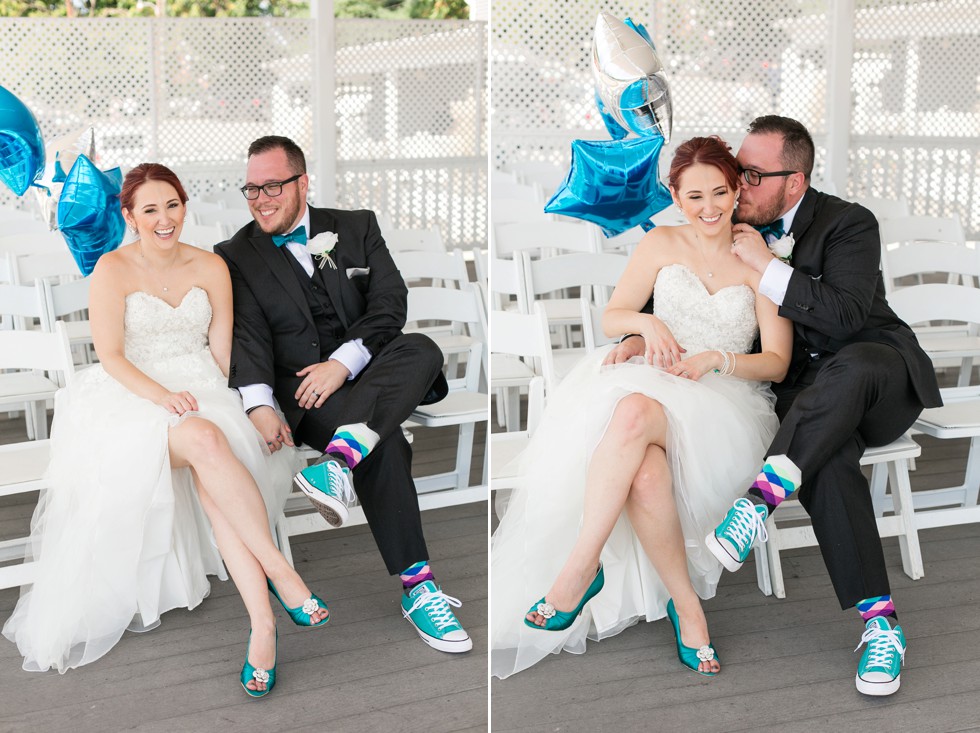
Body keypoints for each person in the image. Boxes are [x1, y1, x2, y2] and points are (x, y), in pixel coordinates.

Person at [617, 116, 942, 696]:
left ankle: (761, 497)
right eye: (738, 170)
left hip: (878, 379)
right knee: (827, 456)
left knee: (856, 362)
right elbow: (663, 289)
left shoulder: (848, 223)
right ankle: (881, 624)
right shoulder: (731, 218)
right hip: (804, 401)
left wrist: (768, 266)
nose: (738, 185)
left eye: (752, 174)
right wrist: (637, 338)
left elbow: (845, 318)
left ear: (794, 182)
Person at [2, 164, 330, 697]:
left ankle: (264, 627)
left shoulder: (211, 265)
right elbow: (109, 355)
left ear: (184, 206)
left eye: (172, 205)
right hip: (134, 395)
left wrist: (257, 402)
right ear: (129, 216)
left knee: (213, 455)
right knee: (205, 439)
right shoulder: (111, 268)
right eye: (149, 210)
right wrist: (162, 397)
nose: (164, 219)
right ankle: (281, 575)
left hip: (204, 388)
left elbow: (224, 351)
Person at [490, 136, 794, 679]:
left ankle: (581, 572)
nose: (709, 209)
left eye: (720, 193)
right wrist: (646, 324)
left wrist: (715, 360)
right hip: (655, 377)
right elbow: (614, 317)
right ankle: (688, 607)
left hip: (723, 401)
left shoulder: (758, 258)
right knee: (644, 466)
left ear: (737, 190)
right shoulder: (659, 245)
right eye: (694, 196)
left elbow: (775, 362)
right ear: (675, 197)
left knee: (630, 415)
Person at [214, 135, 471, 654]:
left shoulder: (357, 226)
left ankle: (338, 461)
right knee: (388, 443)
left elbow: (390, 303)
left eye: (272, 186)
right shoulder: (235, 254)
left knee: (421, 347)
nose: (260, 199)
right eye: (250, 189)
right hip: (306, 395)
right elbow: (248, 340)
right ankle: (419, 589)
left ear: (303, 183)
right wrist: (260, 405)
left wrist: (342, 362)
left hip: (368, 370)